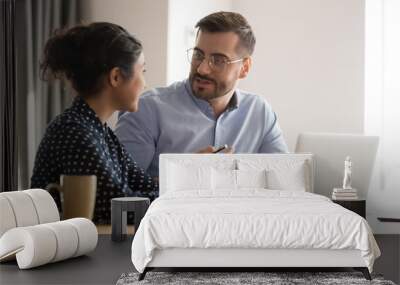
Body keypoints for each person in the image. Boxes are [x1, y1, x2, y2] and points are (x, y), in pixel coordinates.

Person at [115, 11, 288, 178]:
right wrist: (188, 173)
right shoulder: (145, 109)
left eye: (218, 60)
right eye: (198, 55)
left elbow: (283, 178)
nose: (202, 69)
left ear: (244, 68)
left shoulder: (259, 112)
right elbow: (120, 190)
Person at [31, 22, 157, 224]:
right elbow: (120, 209)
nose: (145, 83)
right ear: (115, 77)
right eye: (142, 71)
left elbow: (145, 185)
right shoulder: (74, 132)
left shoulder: (100, 131)